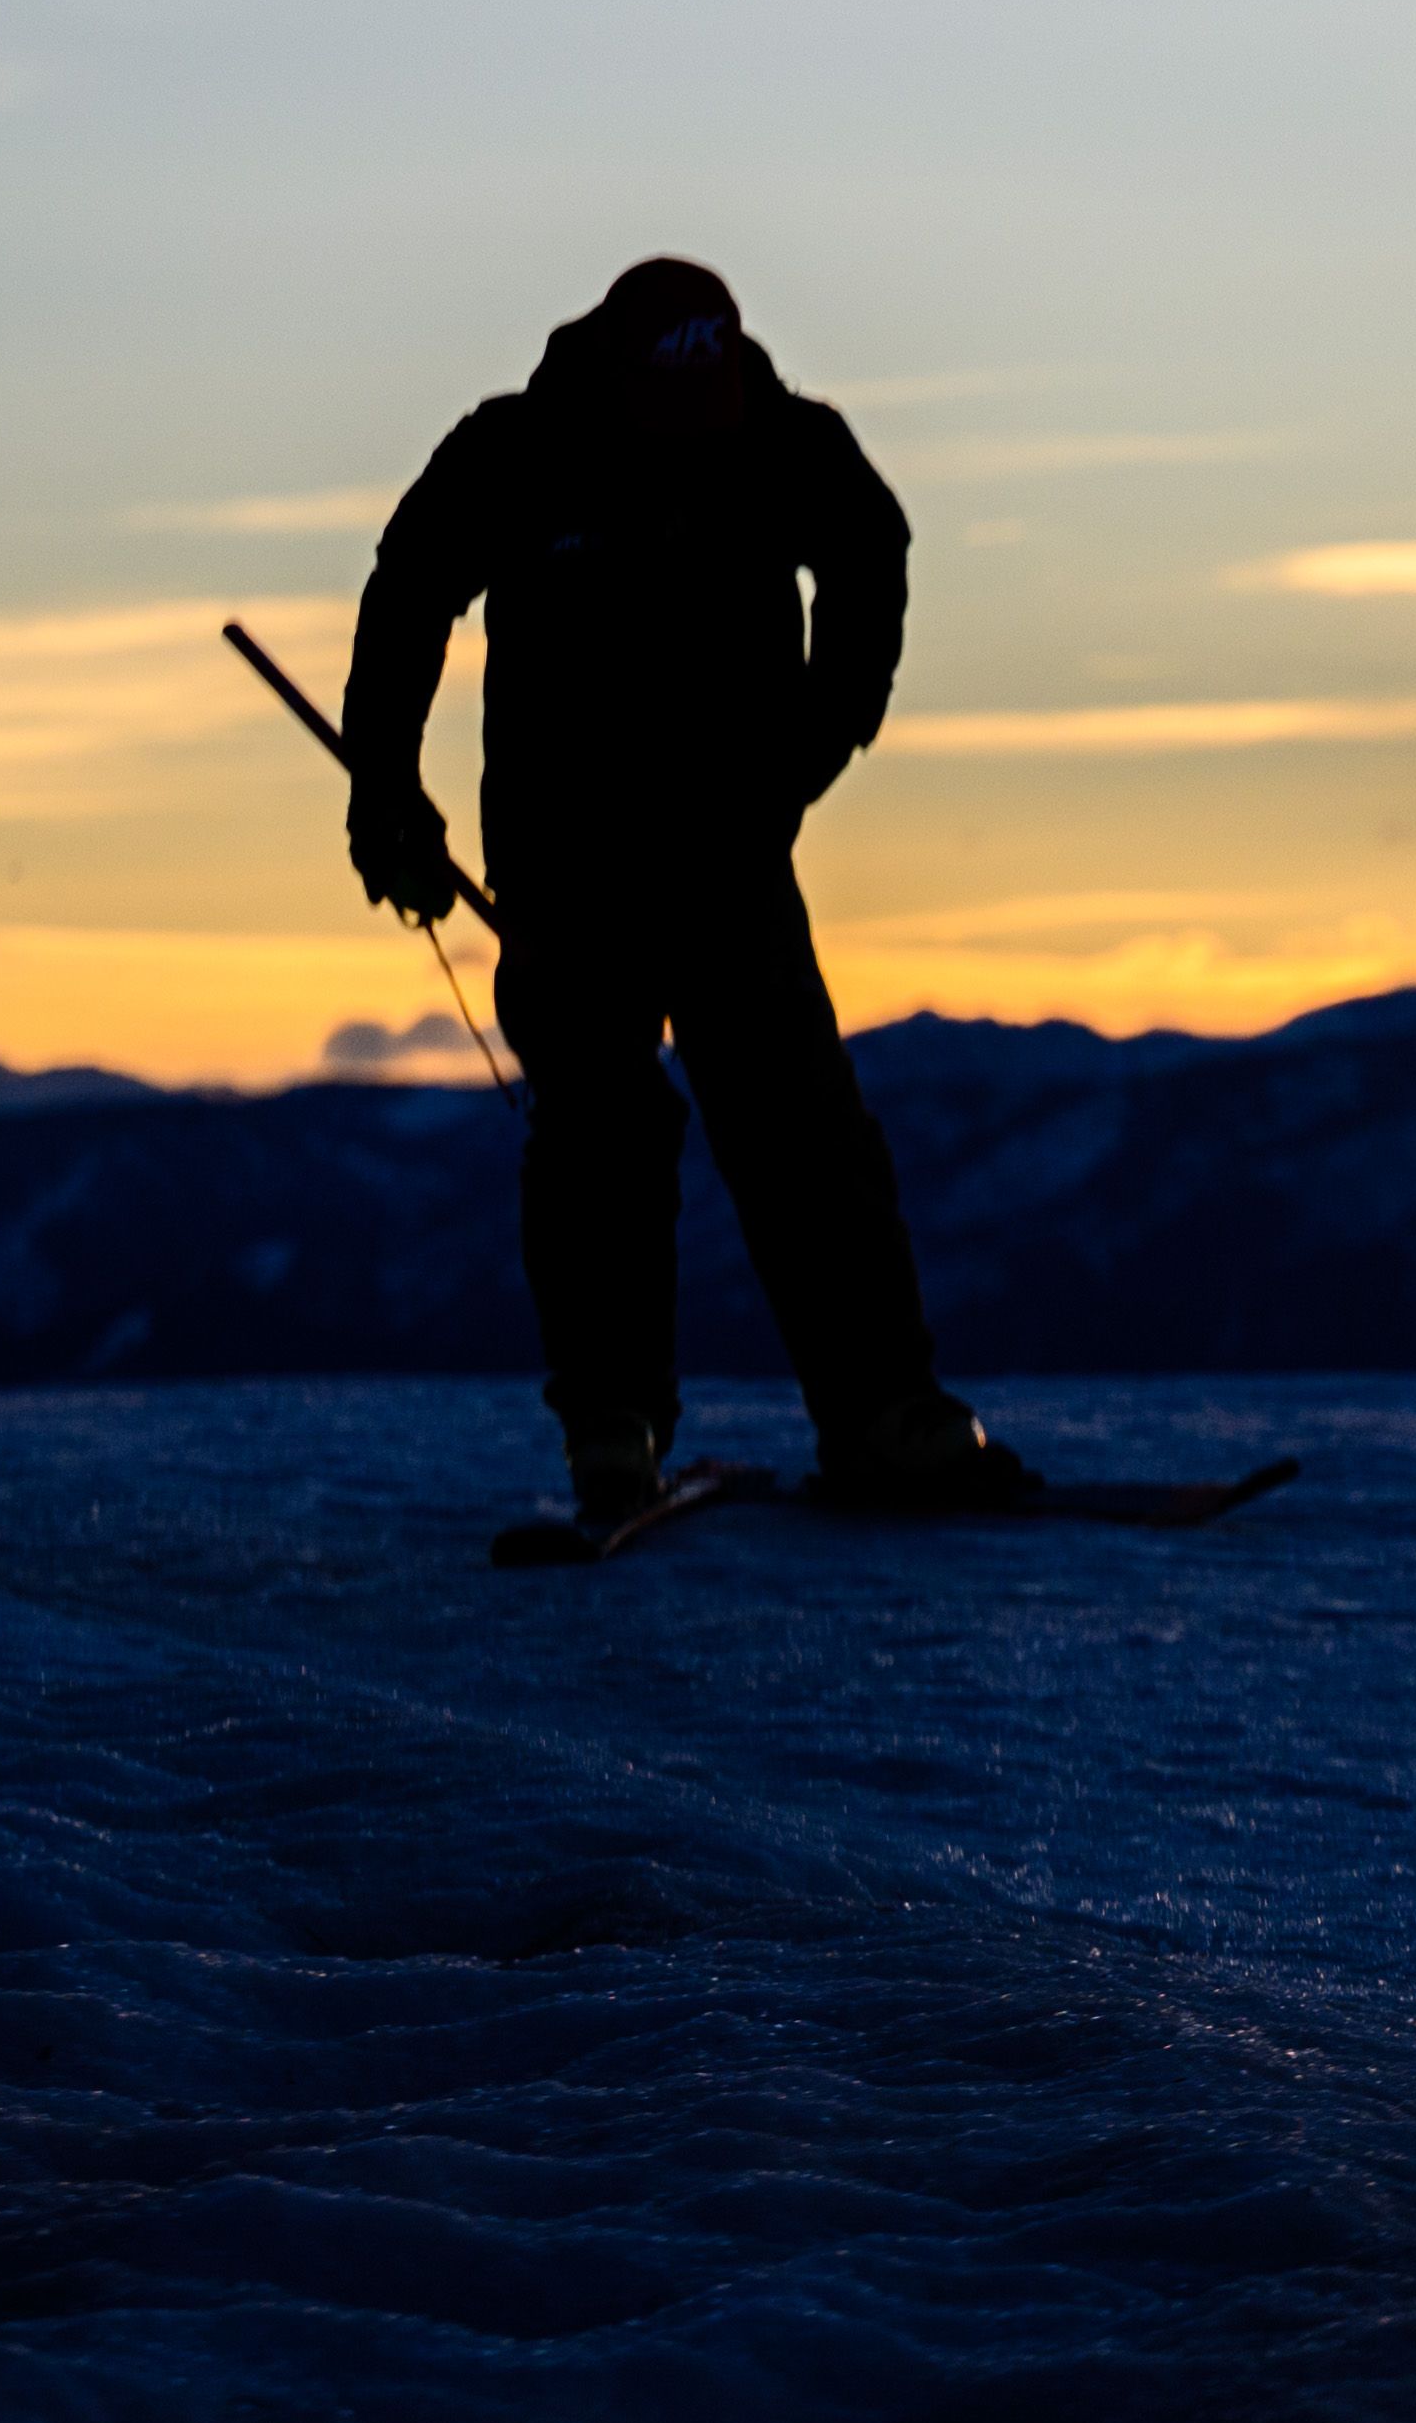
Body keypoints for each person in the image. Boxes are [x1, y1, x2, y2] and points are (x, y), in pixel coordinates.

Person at [342, 258, 1040, 1527]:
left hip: (728, 852)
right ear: (614, 379)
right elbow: (408, 595)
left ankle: (884, 1413)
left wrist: (821, 738)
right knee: (600, 1129)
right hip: (565, 867)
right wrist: (385, 788)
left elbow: (871, 552)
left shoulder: (779, 442)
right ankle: (613, 1427)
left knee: (800, 1128)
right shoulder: (518, 450)